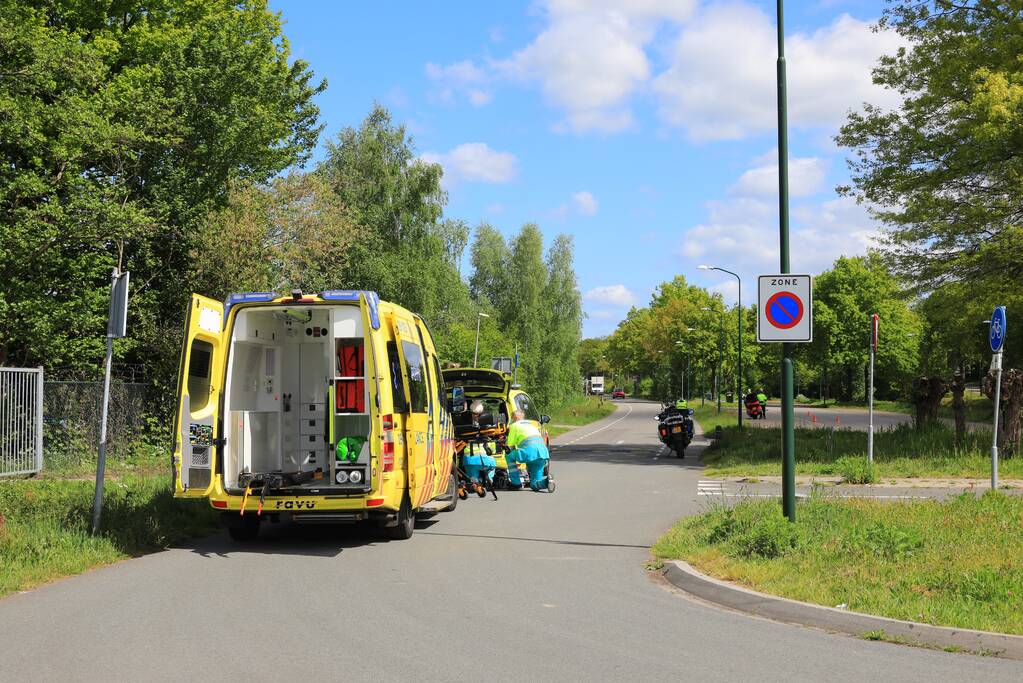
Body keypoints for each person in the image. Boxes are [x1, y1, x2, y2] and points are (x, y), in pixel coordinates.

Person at [505, 409, 550, 491]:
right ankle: (546, 482)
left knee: (509, 455)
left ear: (513, 418)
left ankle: (516, 483)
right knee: (534, 484)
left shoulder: (514, 425)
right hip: (542, 453)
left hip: (530, 452)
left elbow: (510, 444)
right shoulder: (531, 425)